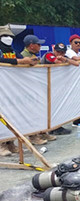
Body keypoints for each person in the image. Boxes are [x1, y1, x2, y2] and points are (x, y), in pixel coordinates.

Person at [0, 26, 38, 156]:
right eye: (5, 36)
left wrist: (30, 62)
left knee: (11, 115)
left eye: (11, 37)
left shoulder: (12, 50)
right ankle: (1, 144)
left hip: (11, 88)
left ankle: (10, 143)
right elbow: (3, 60)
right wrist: (21, 61)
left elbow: (20, 58)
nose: (8, 39)